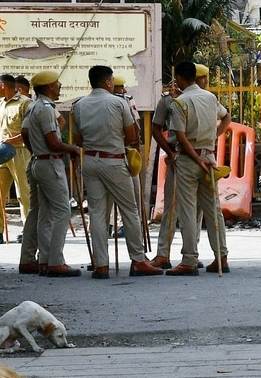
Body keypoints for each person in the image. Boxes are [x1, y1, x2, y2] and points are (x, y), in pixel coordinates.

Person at [74, 65, 160, 278]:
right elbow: (131, 136)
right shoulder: (118, 103)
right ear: (108, 82)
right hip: (113, 161)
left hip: (91, 161)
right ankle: (138, 260)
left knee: (96, 213)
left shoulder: (79, 105)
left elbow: (77, 140)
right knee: (129, 211)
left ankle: (101, 264)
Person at [167, 61, 229, 276]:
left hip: (188, 159)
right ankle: (221, 256)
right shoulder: (209, 97)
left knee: (188, 210)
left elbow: (181, 137)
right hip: (209, 158)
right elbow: (227, 116)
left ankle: (189, 259)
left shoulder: (180, 102)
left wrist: (195, 158)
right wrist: (213, 138)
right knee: (213, 209)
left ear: (180, 79)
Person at [20, 71, 80, 278]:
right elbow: (53, 142)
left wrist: (36, 151)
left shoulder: (33, 106)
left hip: (38, 161)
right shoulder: (45, 109)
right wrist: (72, 149)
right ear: (48, 87)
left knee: (43, 214)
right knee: (63, 211)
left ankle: (43, 260)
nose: (59, 86)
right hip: (49, 163)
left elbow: (25, 133)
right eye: (56, 83)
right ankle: (55, 261)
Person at [0, 73, 31, 245]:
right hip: (1, 153)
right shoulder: (1, 104)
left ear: (4, 85)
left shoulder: (25, 103)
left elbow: (28, 130)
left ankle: (27, 230)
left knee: (23, 193)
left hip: (20, 152)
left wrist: (11, 140)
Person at [148, 75, 180, 269]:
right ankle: (163, 253)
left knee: (195, 208)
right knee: (171, 206)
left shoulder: (206, 99)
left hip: (196, 157)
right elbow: (156, 128)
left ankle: (191, 254)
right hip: (180, 156)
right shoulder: (167, 100)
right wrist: (169, 151)